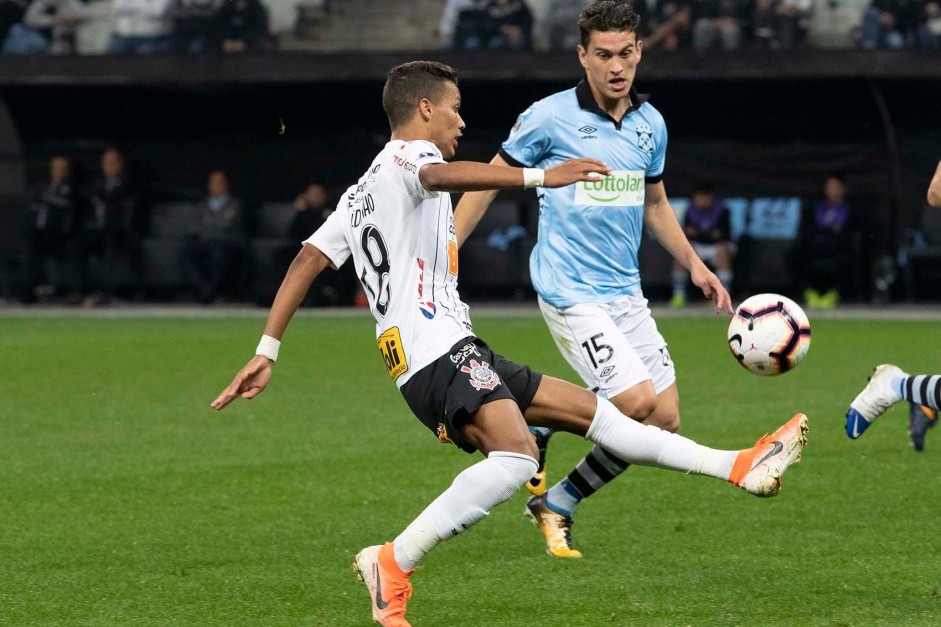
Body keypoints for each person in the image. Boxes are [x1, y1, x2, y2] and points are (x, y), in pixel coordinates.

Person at [211, 60, 808, 627]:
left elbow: (308, 258)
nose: (462, 122)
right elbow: (438, 174)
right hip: (436, 354)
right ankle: (391, 563)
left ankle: (739, 467)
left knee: (598, 415)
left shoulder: (359, 191)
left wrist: (268, 348)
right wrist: (542, 176)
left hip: (444, 350)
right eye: (455, 109)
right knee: (519, 456)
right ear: (423, 109)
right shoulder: (408, 159)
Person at [453, 0, 733, 558]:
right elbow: (488, 181)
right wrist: (447, 252)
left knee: (667, 418)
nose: (616, 66)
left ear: (639, 52)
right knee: (631, 402)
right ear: (582, 55)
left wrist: (695, 263)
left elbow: (654, 203)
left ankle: (557, 500)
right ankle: (543, 418)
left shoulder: (650, 125)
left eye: (625, 53)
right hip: (568, 289)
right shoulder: (548, 117)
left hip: (624, 293)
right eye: (603, 54)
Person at [67, 146, 143, 306]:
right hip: (96, 229)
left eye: (113, 162)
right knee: (76, 245)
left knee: (111, 245)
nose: (109, 166)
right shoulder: (98, 182)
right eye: (106, 162)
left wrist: (102, 199)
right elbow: (87, 195)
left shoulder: (129, 182)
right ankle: (79, 291)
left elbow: (117, 200)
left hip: (118, 230)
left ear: (121, 164)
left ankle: (106, 293)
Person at [18, 155, 79, 303]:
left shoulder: (72, 188)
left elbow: (67, 204)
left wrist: (45, 197)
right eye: (55, 167)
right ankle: (28, 292)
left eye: (62, 168)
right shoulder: (42, 185)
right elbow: (30, 200)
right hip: (37, 231)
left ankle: (64, 290)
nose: (58, 171)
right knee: (28, 250)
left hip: (58, 233)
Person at [796, 173, 857, 309]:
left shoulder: (852, 210)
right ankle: (809, 292)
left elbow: (851, 232)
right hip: (816, 247)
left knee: (845, 256)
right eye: (829, 187)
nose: (832, 190)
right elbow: (808, 230)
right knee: (796, 254)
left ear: (843, 189)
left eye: (836, 187)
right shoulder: (816, 208)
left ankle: (835, 293)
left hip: (839, 248)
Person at [181, 169, 243, 304]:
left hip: (225, 244)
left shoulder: (235, 204)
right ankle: (206, 291)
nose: (216, 186)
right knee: (186, 253)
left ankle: (211, 293)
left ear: (226, 185)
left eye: (219, 182)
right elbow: (194, 228)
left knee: (219, 254)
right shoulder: (201, 206)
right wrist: (218, 222)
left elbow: (229, 227)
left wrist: (211, 225)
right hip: (205, 242)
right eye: (213, 183)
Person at [670, 181, 735, 307]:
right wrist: (707, 233)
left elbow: (723, 235)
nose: (701, 200)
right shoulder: (690, 210)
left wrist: (701, 233)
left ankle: (723, 294)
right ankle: (679, 295)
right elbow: (688, 232)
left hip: (716, 246)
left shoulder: (722, 210)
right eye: (698, 197)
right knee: (680, 254)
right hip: (698, 246)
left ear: (710, 197)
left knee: (722, 251)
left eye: (704, 196)